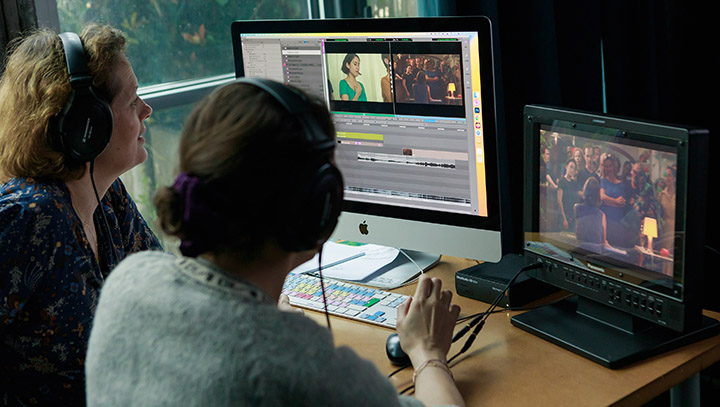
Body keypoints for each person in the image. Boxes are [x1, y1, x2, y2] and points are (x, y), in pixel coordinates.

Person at [85, 80, 465, 407]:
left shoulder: (127, 281)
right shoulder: (291, 364)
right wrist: (427, 351)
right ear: (316, 209)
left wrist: (271, 319)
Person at [0, 25, 161, 405]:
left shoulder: (107, 198)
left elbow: (163, 287)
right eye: (132, 101)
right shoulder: (27, 218)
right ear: (86, 126)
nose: (147, 111)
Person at [599, 154, 628, 247]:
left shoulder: (621, 184)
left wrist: (608, 201)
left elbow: (622, 203)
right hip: (605, 220)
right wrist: (615, 201)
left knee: (615, 247)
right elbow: (602, 197)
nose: (608, 169)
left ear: (614, 167)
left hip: (617, 220)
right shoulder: (604, 181)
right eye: (606, 166)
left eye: (610, 166)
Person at [557, 159, 581, 232]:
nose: (572, 170)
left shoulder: (574, 183)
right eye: (571, 167)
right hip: (564, 215)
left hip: (572, 216)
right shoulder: (562, 181)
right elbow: (559, 200)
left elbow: (576, 200)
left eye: (574, 168)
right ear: (566, 166)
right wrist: (564, 219)